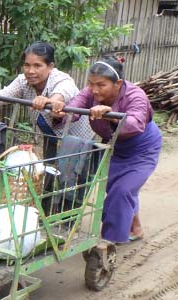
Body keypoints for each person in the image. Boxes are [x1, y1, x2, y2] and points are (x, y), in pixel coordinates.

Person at [49, 56, 162, 244]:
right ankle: (135, 227)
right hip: (115, 146)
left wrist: (111, 116)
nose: (94, 90)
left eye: (101, 85)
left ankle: (108, 241)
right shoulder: (90, 94)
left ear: (117, 83)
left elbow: (136, 123)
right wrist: (60, 112)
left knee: (123, 190)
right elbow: (74, 108)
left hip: (142, 149)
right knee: (114, 187)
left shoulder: (136, 95)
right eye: (91, 84)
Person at [0, 41, 94, 159]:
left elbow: (62, 93)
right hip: (50, 132)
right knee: (49, 169)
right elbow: (3, 97)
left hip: (77, 137)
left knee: (73, 174)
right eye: (27, 65)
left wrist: (48, 101)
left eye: (37, 66)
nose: (30, 71)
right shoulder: (23, 81)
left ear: (50, 66)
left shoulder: (61, 79)